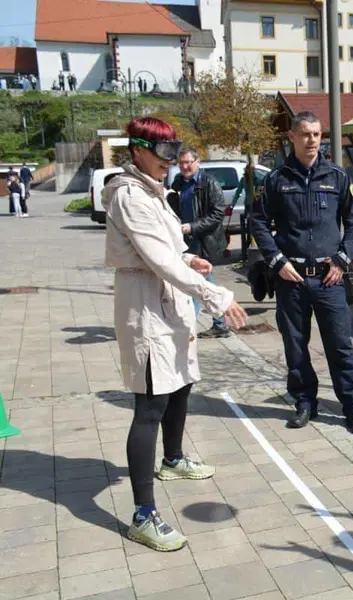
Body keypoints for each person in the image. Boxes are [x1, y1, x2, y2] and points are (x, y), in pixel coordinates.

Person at [102, 116, 248, 552]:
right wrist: (216, 295)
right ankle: (143, 514)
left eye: (173, 152)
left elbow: (171, 251)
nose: (169, 162)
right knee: (150, 404)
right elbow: (157, 261)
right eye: (162, 153)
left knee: (181, 383)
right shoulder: (130, 195)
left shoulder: (154, 190)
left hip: (171, 300)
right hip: (147, 305)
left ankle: (173, 459)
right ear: (137, 150)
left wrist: (191, 258)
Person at [250, 111, 353, 436]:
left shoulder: (338, 175)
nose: (312, 140)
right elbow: (257, 222)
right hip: (292, 279)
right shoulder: (276, 180)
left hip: (330, 278)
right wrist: (276, 260)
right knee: (295, 345)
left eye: (317, 134)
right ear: (292, 137)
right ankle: (305, 402)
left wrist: (343, 260)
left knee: (340, 345)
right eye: (305, 134)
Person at [170, 147, 231, 339]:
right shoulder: (178, 183)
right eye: (181, 163)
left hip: (205, 241)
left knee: (196, 285)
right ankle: (220, 323)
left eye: (188, 162)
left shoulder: (209, 183)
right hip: (187, 243)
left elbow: (217, 214)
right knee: (204, 282)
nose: (185, 166)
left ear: (198, 162)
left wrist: (192, 227)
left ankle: (188, 327)